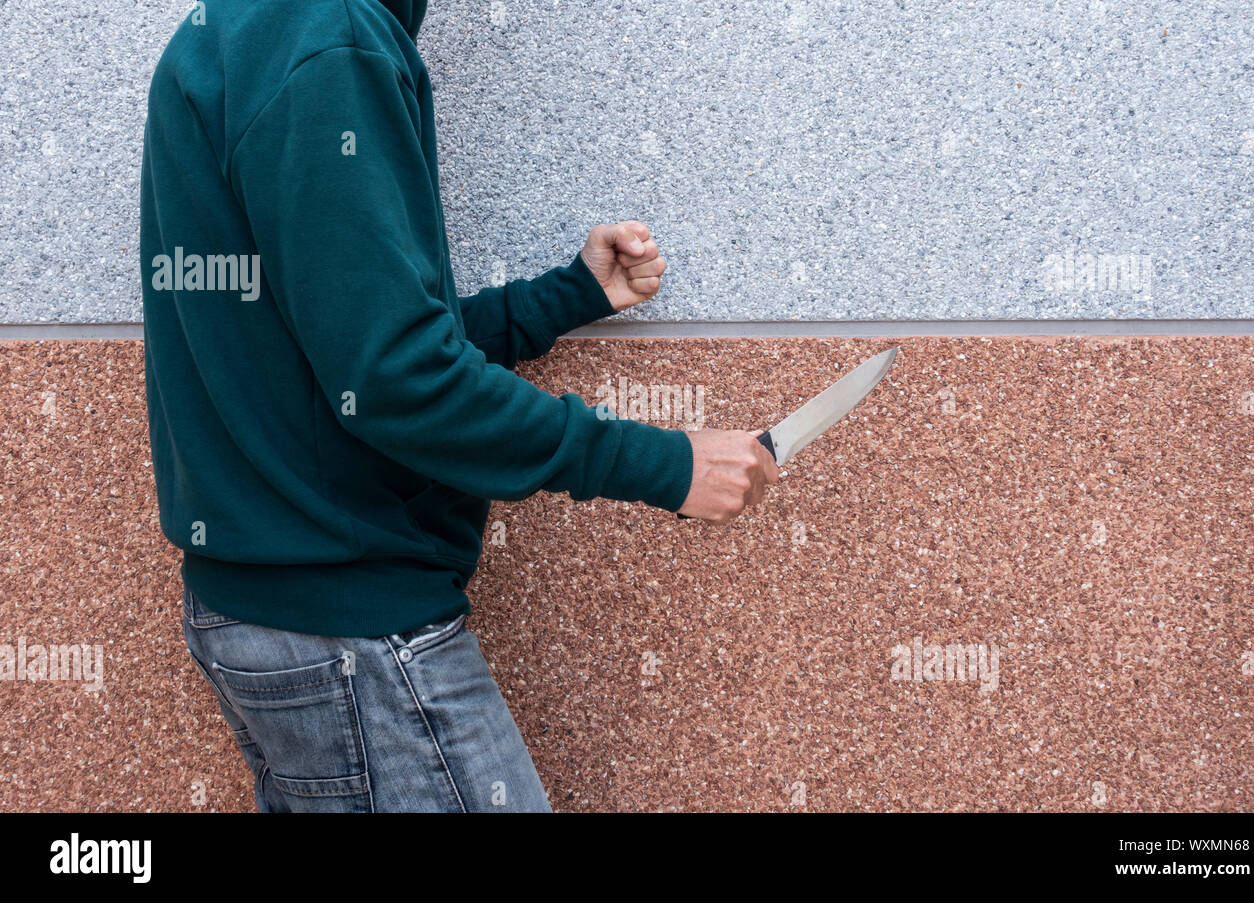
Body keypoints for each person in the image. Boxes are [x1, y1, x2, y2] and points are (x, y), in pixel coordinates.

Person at [139, 0, 777, 811]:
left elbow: (332, 354)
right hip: (346, 632)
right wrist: (667, 464)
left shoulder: (260, 28)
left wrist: (557, 300)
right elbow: (393, 379)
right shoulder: (327, 40)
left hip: (274, 610)